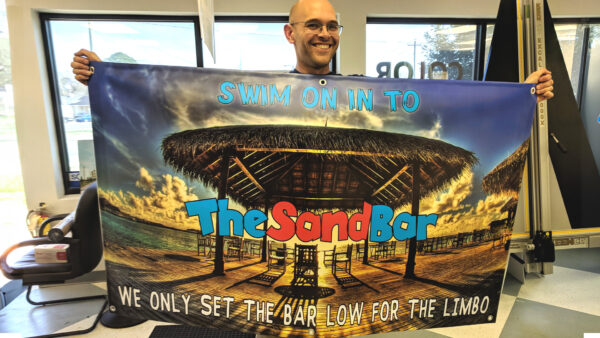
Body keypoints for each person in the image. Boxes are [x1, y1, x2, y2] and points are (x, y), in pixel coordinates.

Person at [71, 0, 554, 102]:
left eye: (331, 26)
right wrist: (102, 77)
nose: (324, 34)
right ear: (290, 33)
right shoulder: (262, 95)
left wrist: (519, 94)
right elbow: (176, 97)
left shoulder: (359, 91)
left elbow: (449, 102)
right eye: (312, 26)